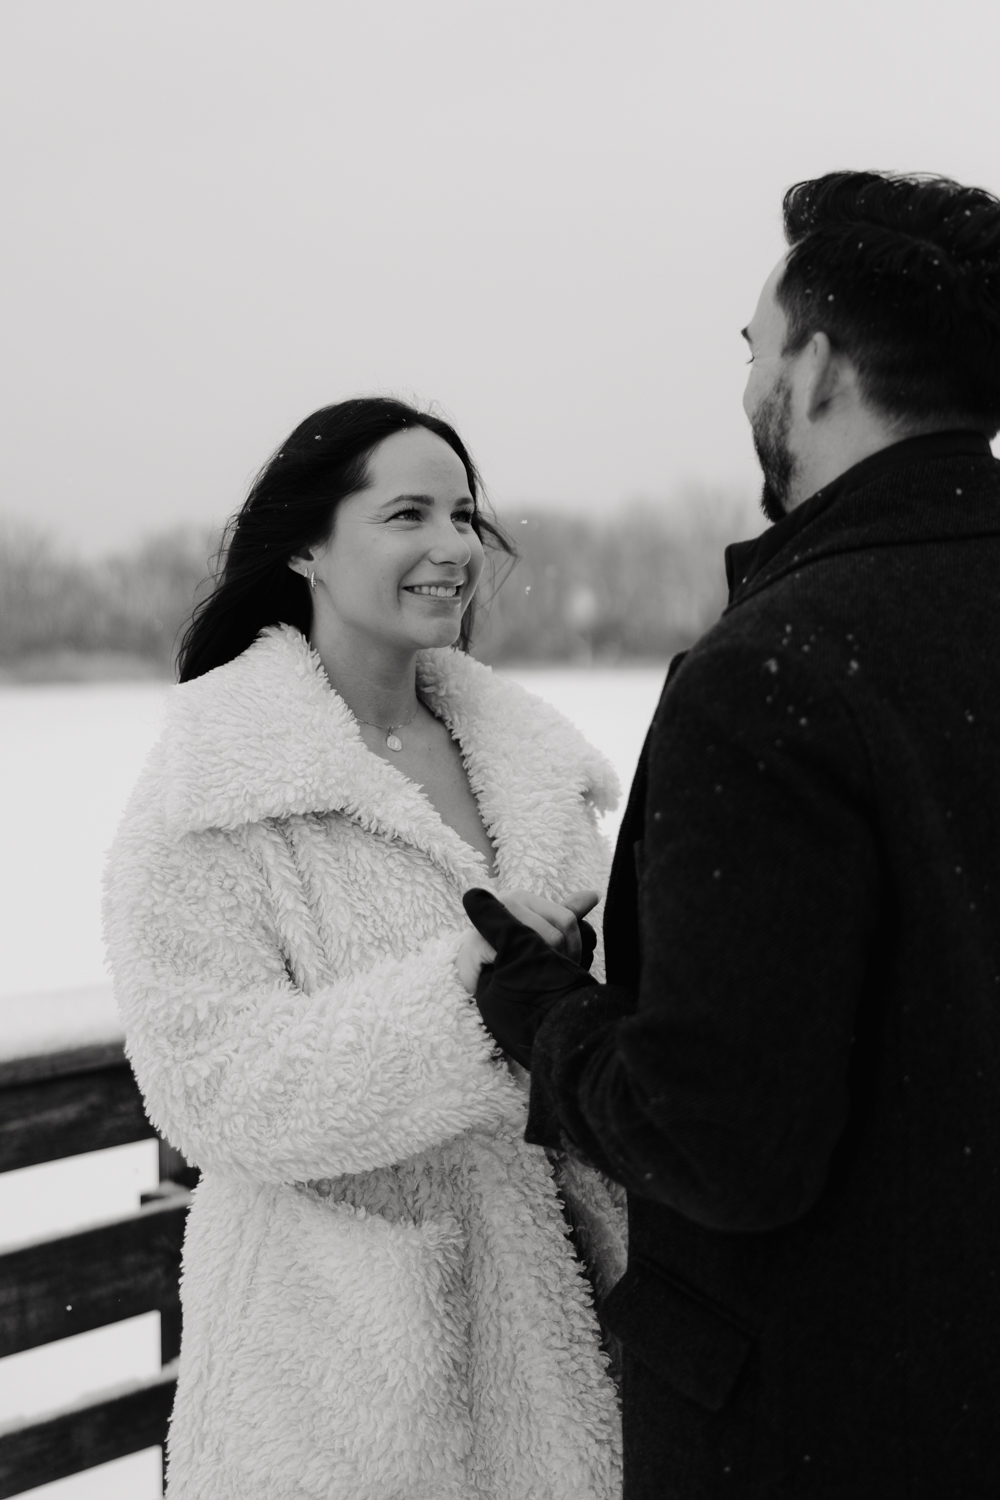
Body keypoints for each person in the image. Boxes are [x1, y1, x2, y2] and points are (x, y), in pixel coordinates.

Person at [461, 170, 1000, 1497]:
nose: (749, 379)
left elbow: (720, 1142)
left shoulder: (779, 670)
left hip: (827, 1421)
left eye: (755, 348)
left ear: (814, 372)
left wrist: (541, 1012)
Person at [103, 397, 626, 1500]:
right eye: (406, 514)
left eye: (463, 514)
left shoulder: (532, 769)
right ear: (305, 544)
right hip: (342, 1373)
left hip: (567, 1328)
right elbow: (210, 1083)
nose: (451, 548)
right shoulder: (220, 785)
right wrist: (465, 1013)